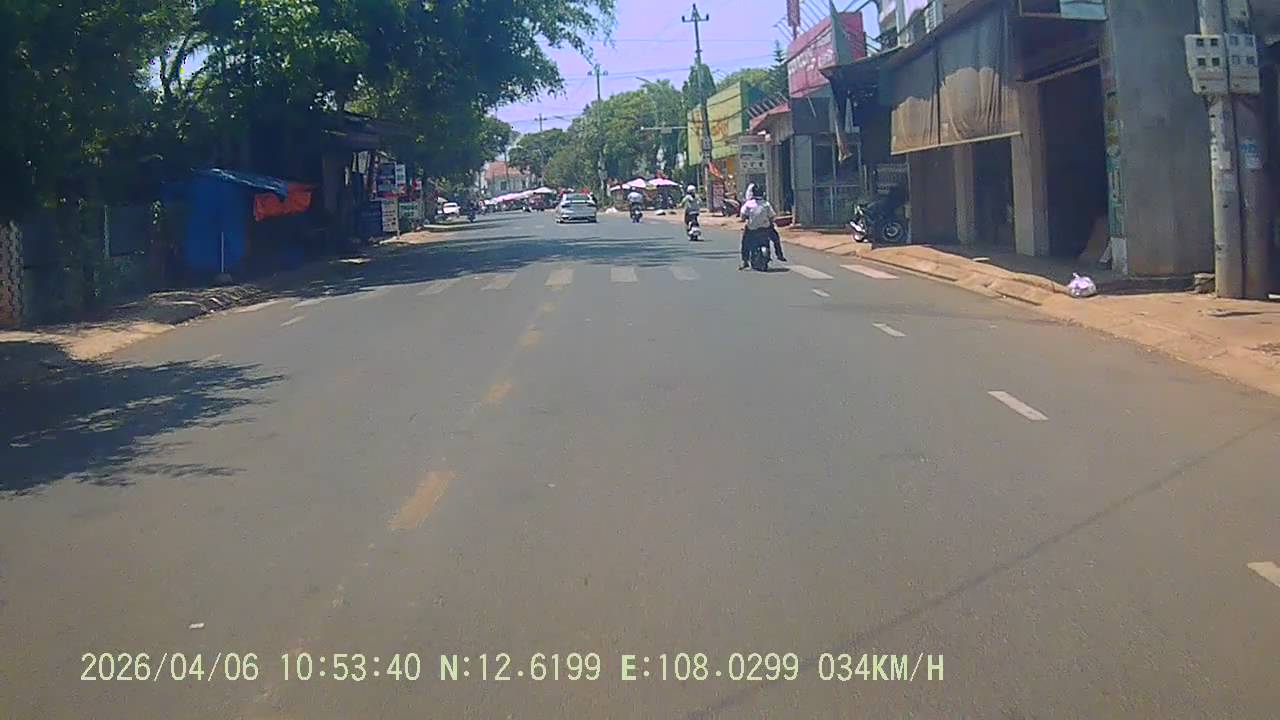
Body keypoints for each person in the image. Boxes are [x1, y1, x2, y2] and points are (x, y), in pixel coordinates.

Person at [738, 184, 784, 268]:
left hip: (752, 229)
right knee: (776, 239)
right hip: (766, 229)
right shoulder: (766, 204)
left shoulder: (749, 204)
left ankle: (745, 261)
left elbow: (742, 216)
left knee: (745, 243)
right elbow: (772, 216)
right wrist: (770, 223)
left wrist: (746, 218)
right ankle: (779, 255)